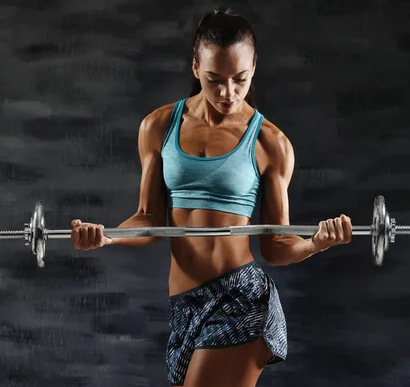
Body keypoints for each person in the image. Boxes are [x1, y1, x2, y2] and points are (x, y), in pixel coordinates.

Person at [70, 7, 352, 387]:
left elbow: (277, 245)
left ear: (254, 69)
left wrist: (316, 243)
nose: (228, 93)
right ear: (195, 69)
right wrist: (108, 236)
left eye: (241, 79)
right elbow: (148, 220)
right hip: (184, 306)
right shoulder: (158, 126)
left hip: (240, 299)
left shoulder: (270, 142)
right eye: (214, 80)